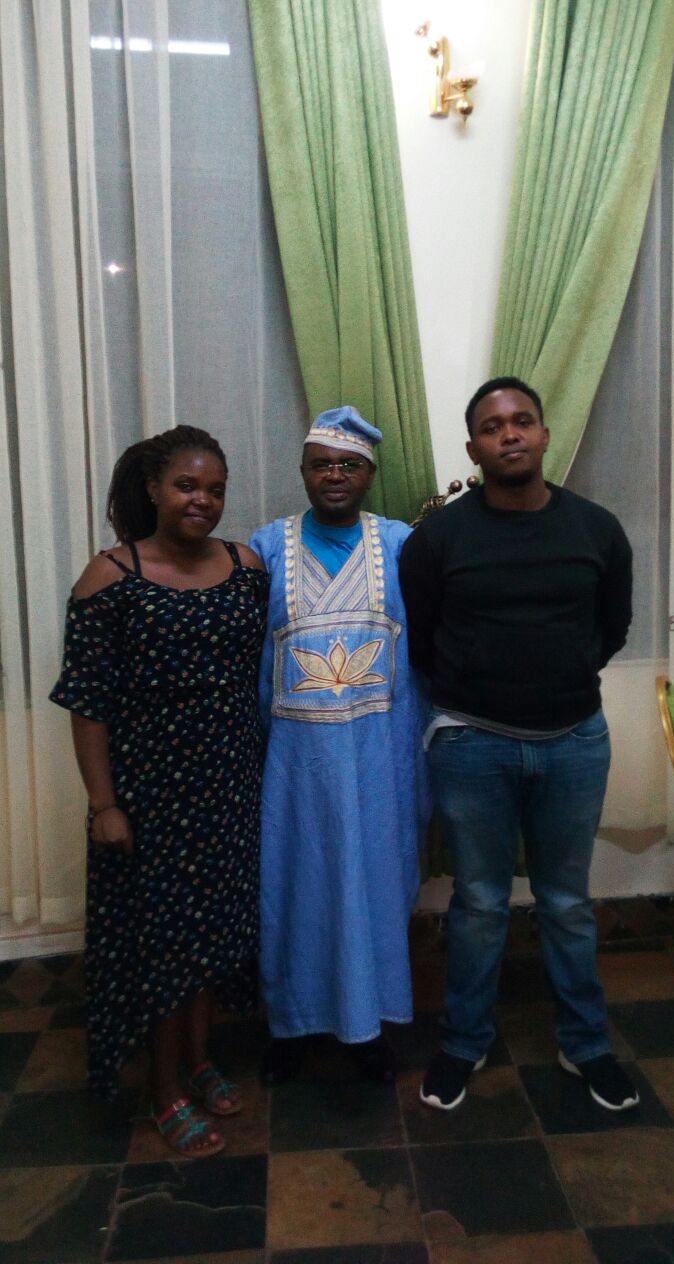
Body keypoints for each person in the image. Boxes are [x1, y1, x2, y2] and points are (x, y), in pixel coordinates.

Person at [399, 376, 639, 1113]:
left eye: (522, 421)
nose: (510, 434)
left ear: (543, 435)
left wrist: (555, 677)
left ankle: (586, 1043)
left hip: (574, 742)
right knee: (478, 902)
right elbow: (423, 640)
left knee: (566, 902)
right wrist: (481, 691)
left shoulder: (597, 529)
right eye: (493, 426)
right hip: (473, 744)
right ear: (473, 449)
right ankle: (463, 1043)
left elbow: (612, 629)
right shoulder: (439, 538)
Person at [49, 425, 268, 1157]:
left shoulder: (247, 566)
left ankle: (201, 1062)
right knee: (163, 948)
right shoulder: (109, 576)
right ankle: (164, 1086)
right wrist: (104, 804)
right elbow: (88, 701)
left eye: (214, 489)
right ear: (153, 488)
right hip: (148, 798)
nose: (201, 500)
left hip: (231, 787)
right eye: (186, 485)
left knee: (211, 938)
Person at [250, 406, 431, 1084]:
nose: (334, 475)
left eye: (348, 464)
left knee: (377, 890)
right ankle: (292, 1027)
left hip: (380, 763)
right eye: (321, 463)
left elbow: (433, 647)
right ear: (301, 472)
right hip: (294, 771)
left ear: (369, 474)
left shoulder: (402, 545)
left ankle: (371, 1028)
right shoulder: (266, 548)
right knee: (295, 889)